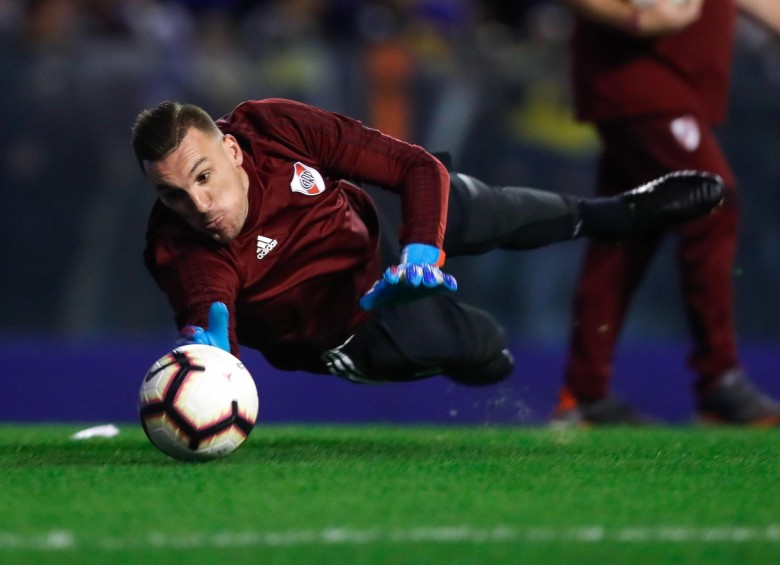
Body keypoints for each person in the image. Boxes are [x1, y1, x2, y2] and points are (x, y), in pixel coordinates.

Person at [132, 98, 722, 389]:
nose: (199, 207)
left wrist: (421, 251)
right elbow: (210, 308)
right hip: (349, 331)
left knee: (460, 205)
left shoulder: (274, 128)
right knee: (484, 353)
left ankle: (616, 213)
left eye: (203, 177)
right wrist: (209, 354)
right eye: (175, 196)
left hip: (380, 251)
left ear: (231, 150)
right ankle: (470, 349)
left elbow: (413, 167)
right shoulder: (179, 246)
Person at [554, 0, 780, 425]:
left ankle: (584, 394)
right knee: (713, 201)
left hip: (669, 83)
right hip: (639, 78)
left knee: (624, 234)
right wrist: (628, 15)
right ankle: (719, 379)